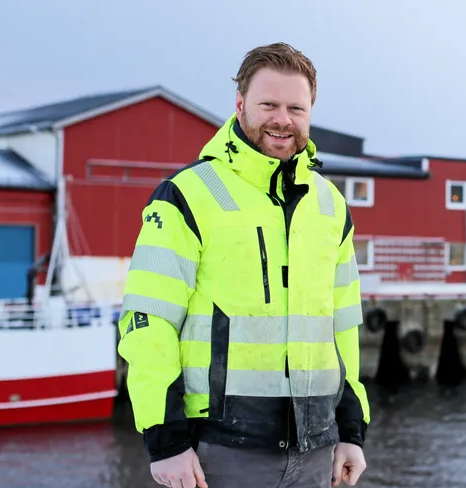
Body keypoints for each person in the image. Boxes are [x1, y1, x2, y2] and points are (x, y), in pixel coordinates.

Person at [116, 42, 370, 488]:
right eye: (268, 104)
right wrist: (166, 442)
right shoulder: (188, 195)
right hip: (220, 451)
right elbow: (147, 321)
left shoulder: (331, 205)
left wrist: (351, 432)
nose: (282, 119)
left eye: (296, 107)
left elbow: (343, 327)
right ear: (240, 105)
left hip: (318, 451)